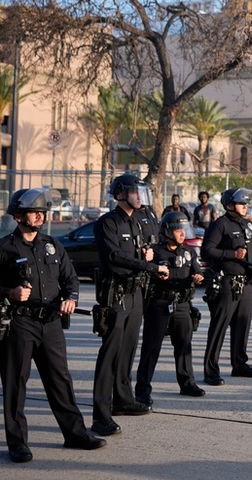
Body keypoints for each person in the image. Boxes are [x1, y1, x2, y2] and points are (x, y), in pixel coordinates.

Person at [0, 188, 106, 463]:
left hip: (51, 323)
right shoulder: (5, 248)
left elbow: (70, 279)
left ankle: (75, 434)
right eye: (34, 212)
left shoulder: (52, 245)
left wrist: (70, 298)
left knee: (60, 380)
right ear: (19, 214)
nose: (40, 216)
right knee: (15, 383)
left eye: (42, 212)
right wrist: (9, 292)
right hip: (20, 323)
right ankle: (18, 443)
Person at [92, 174, 170, 436]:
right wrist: (149, 264)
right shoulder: (108, 223)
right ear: (120, 195)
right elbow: (114, 257)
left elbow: (150, 245)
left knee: (128, 349)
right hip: (115, 295)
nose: (139, 196)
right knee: (110, 354)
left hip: (135, 292)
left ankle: (123, 399)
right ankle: (100, 415)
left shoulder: (138, 220)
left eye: (140, 192)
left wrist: (149, 253)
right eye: (134, 192)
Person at [135, 212, 205, 405]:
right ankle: (142, 390)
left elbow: (197, 271)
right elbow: (145, 273)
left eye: (185, 229)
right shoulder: (156, 252)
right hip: (159, 304)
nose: (182, 234)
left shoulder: (189, 252)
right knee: (151, 348)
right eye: (178, 230)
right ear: (167, 230)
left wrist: (198, 277)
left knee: (184, 345)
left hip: (182, 304)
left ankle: (187, 383)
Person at [201, 187, 252, 386]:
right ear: (229, 205)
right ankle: (210, 370)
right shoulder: (220, 225)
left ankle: (239, 364)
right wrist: (231, 254)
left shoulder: (249, 225)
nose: (246, 207)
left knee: (243, 326)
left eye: (247, 203)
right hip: (226, 282)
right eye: (242, 203)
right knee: (219, 327)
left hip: (245, 283)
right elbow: (207, 251)